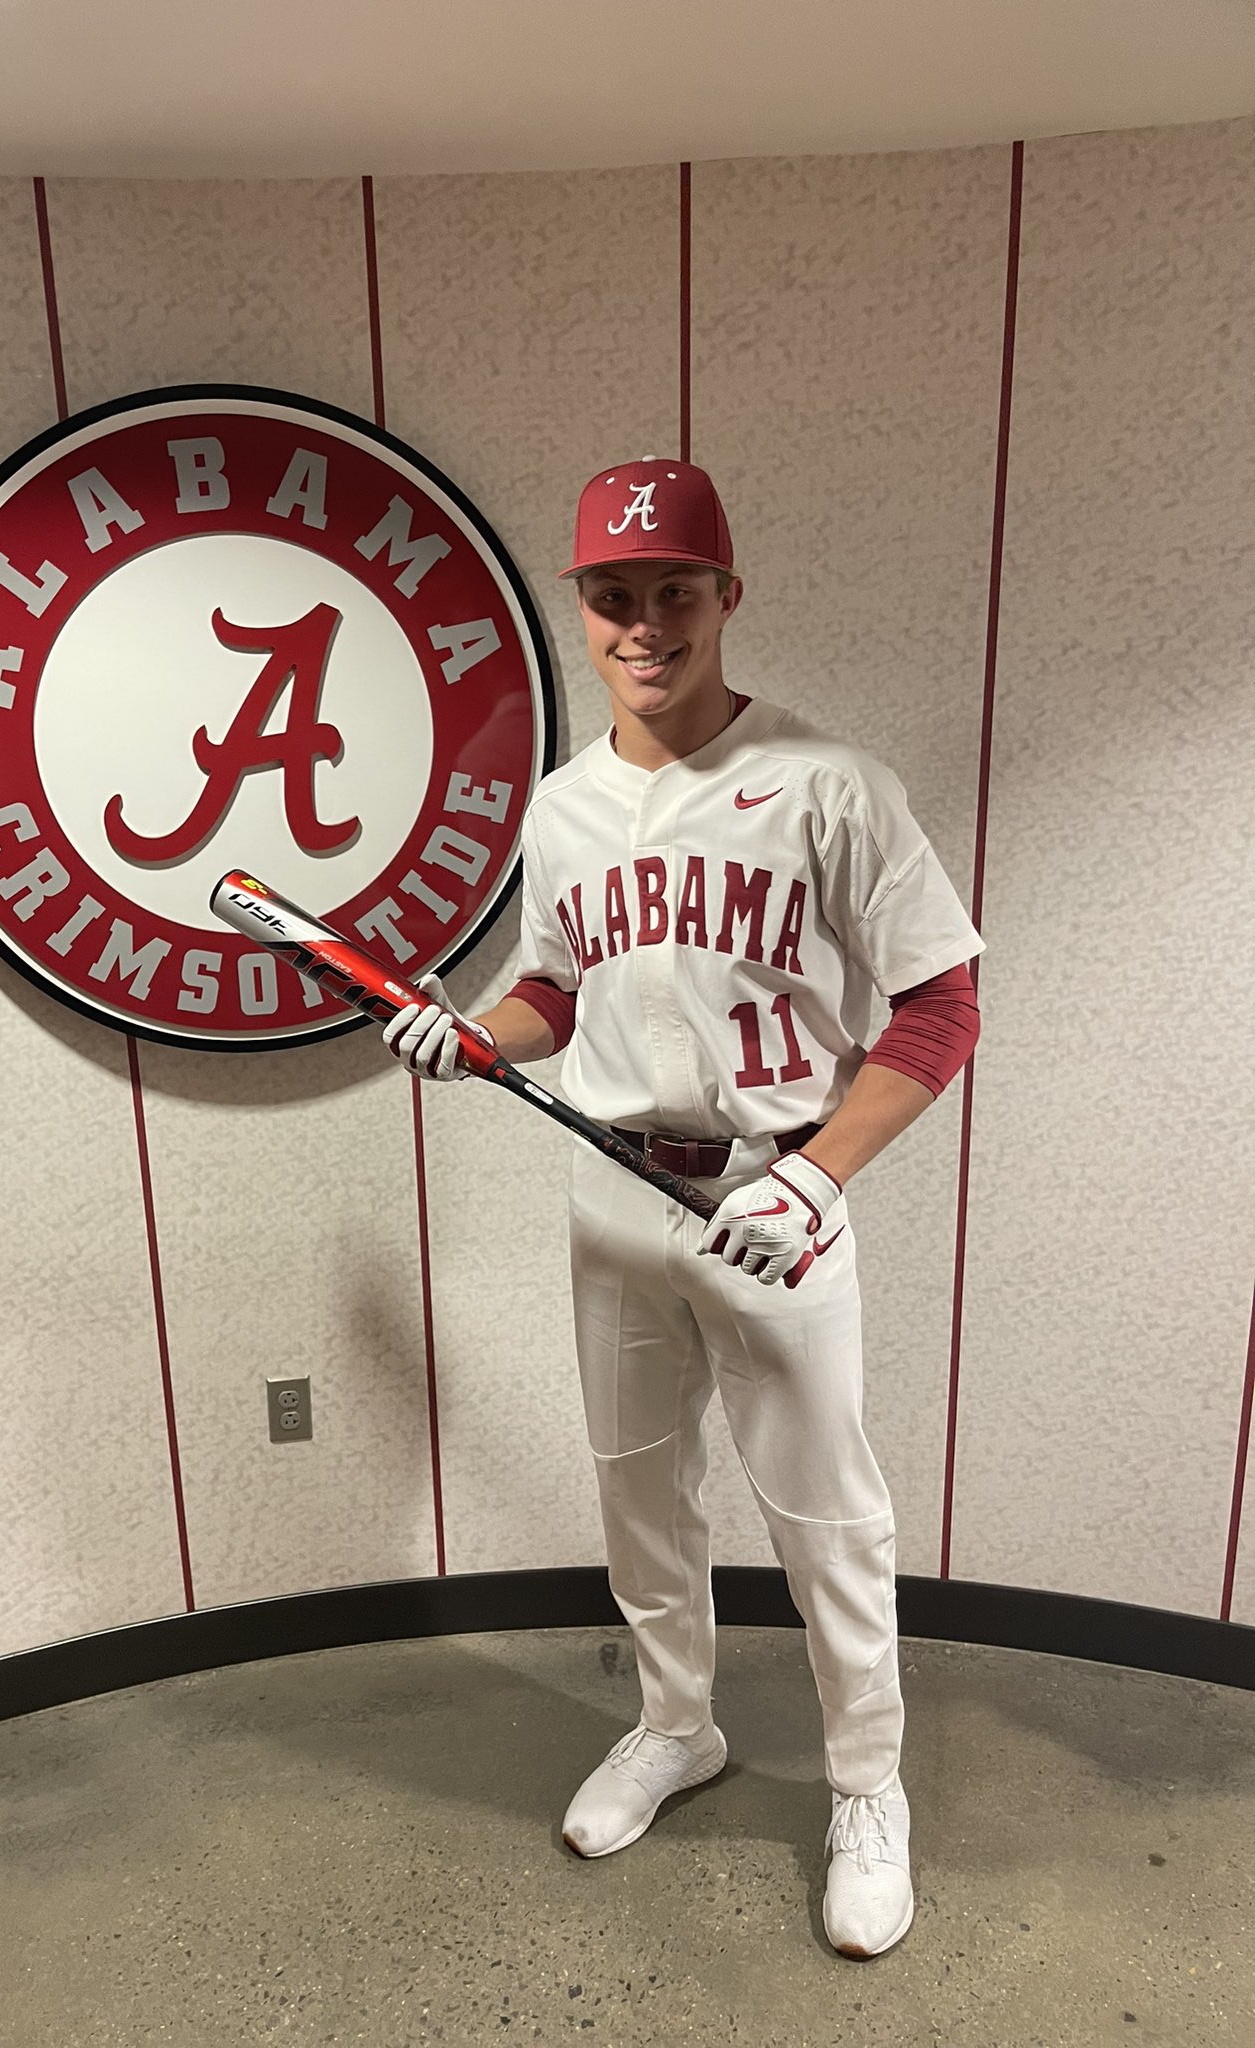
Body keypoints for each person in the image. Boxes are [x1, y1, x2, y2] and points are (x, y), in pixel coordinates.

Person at [380, 457, 983, 1960]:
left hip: (776, 1192)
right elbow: (554, 987)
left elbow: (941, 1007)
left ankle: (868, 1791)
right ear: (580, 605)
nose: (643, 623)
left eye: (673, 590)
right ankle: (676, 1726)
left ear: (726, 594)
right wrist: (473, 1035)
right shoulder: (563, 806)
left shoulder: (830, 782)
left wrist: (816, 1173)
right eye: (613, 594)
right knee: (639, 1492)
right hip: (614, 1193)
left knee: (828, 1518)